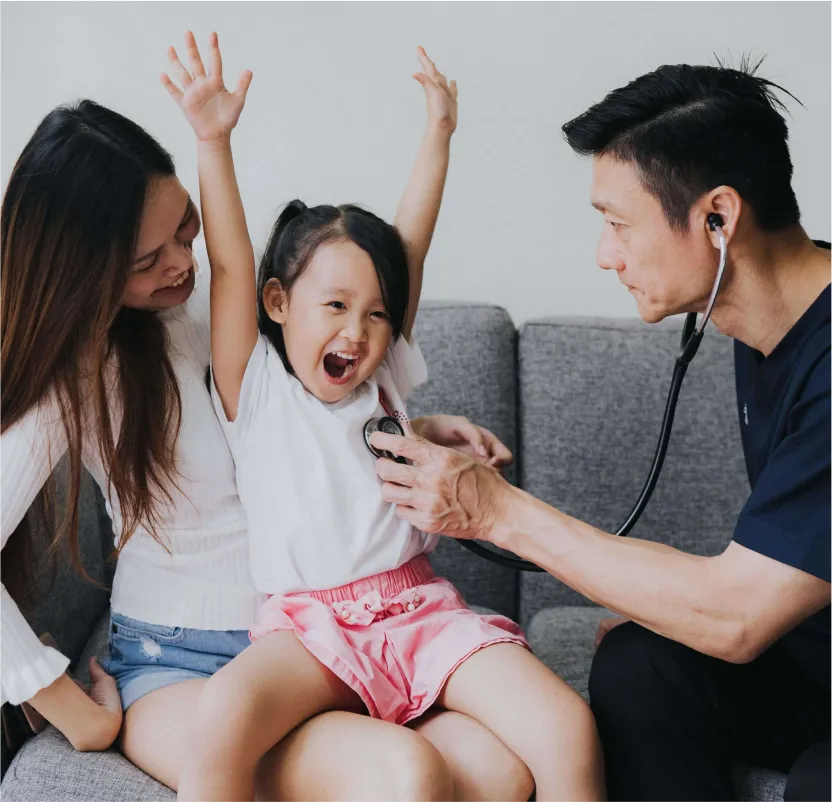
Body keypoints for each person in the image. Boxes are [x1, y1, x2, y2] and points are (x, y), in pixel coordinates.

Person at [0, 68, 535, 802]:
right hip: (177, 665)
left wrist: (409, 433)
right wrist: (63, 704)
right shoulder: (76, 375)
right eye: (148, 260)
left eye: (184, 229)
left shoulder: (227, 331)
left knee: (504, 776)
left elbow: (302, 428)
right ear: (85, 273)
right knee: (408, 775)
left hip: (309, 649)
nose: (183, 263)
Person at [370, 61, 832, 801]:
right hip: (815, 662)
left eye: (618, 224)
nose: (605, 254)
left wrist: (496, 509)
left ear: (719, 218)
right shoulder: (766, 328)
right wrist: (657, 602)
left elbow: (739, 615)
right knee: (642, 664)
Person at [161, 32, 604, 802]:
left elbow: (412, 242)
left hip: (419, 610)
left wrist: (438, 132)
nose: (357, 332)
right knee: (225, 710)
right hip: (311, 631)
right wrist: (212, 141)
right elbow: (231, 260)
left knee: (562, 729)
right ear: (277, 304)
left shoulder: (384, 377)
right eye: (333, 306)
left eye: (375, 315)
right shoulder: (256, 385)